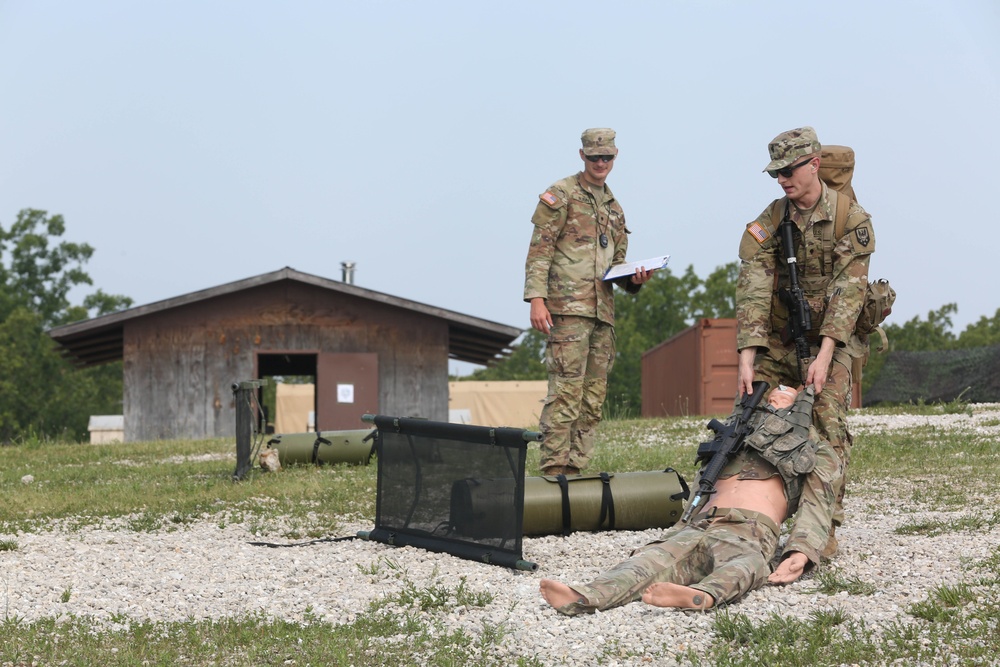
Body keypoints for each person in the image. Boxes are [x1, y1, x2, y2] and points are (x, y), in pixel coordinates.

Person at [539, 384, 841, 614]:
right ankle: (585, 596)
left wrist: (799, 552)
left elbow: (818, 505)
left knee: (747, 564)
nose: (775, 400)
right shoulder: (736, 437)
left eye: (786, 397)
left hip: (750, 529)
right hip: (699, 524)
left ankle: (703, 595)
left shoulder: (815, 448)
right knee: (647, 561)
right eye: (773, 396)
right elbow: (702, 483)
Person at [735, 127, 874, 556]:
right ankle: (745, 515)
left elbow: (849, 294)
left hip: (834, 336)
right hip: (781, 337)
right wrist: (747, 356)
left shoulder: (852, 220)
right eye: (776, 173)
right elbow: (753, 287)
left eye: (790, 170)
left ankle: (820, 529)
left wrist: (826, 355)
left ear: (814, 164)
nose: (782, 180)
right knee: (751, 415)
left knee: (827, 424)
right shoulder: (772, 219)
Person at [524, 128, 654, 477]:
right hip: (567, 310)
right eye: (594, 157)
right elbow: (540, 250)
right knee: (566, 393)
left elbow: (617, 267)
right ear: (582, 156)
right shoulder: (561, 195)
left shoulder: (615, 208)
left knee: (592, 399)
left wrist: (635, 280)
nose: (601, 163)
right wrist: (537, 299)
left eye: (607, 157)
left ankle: (576, 470)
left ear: (615, 156)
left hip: (602, 314)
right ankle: (553, 471)